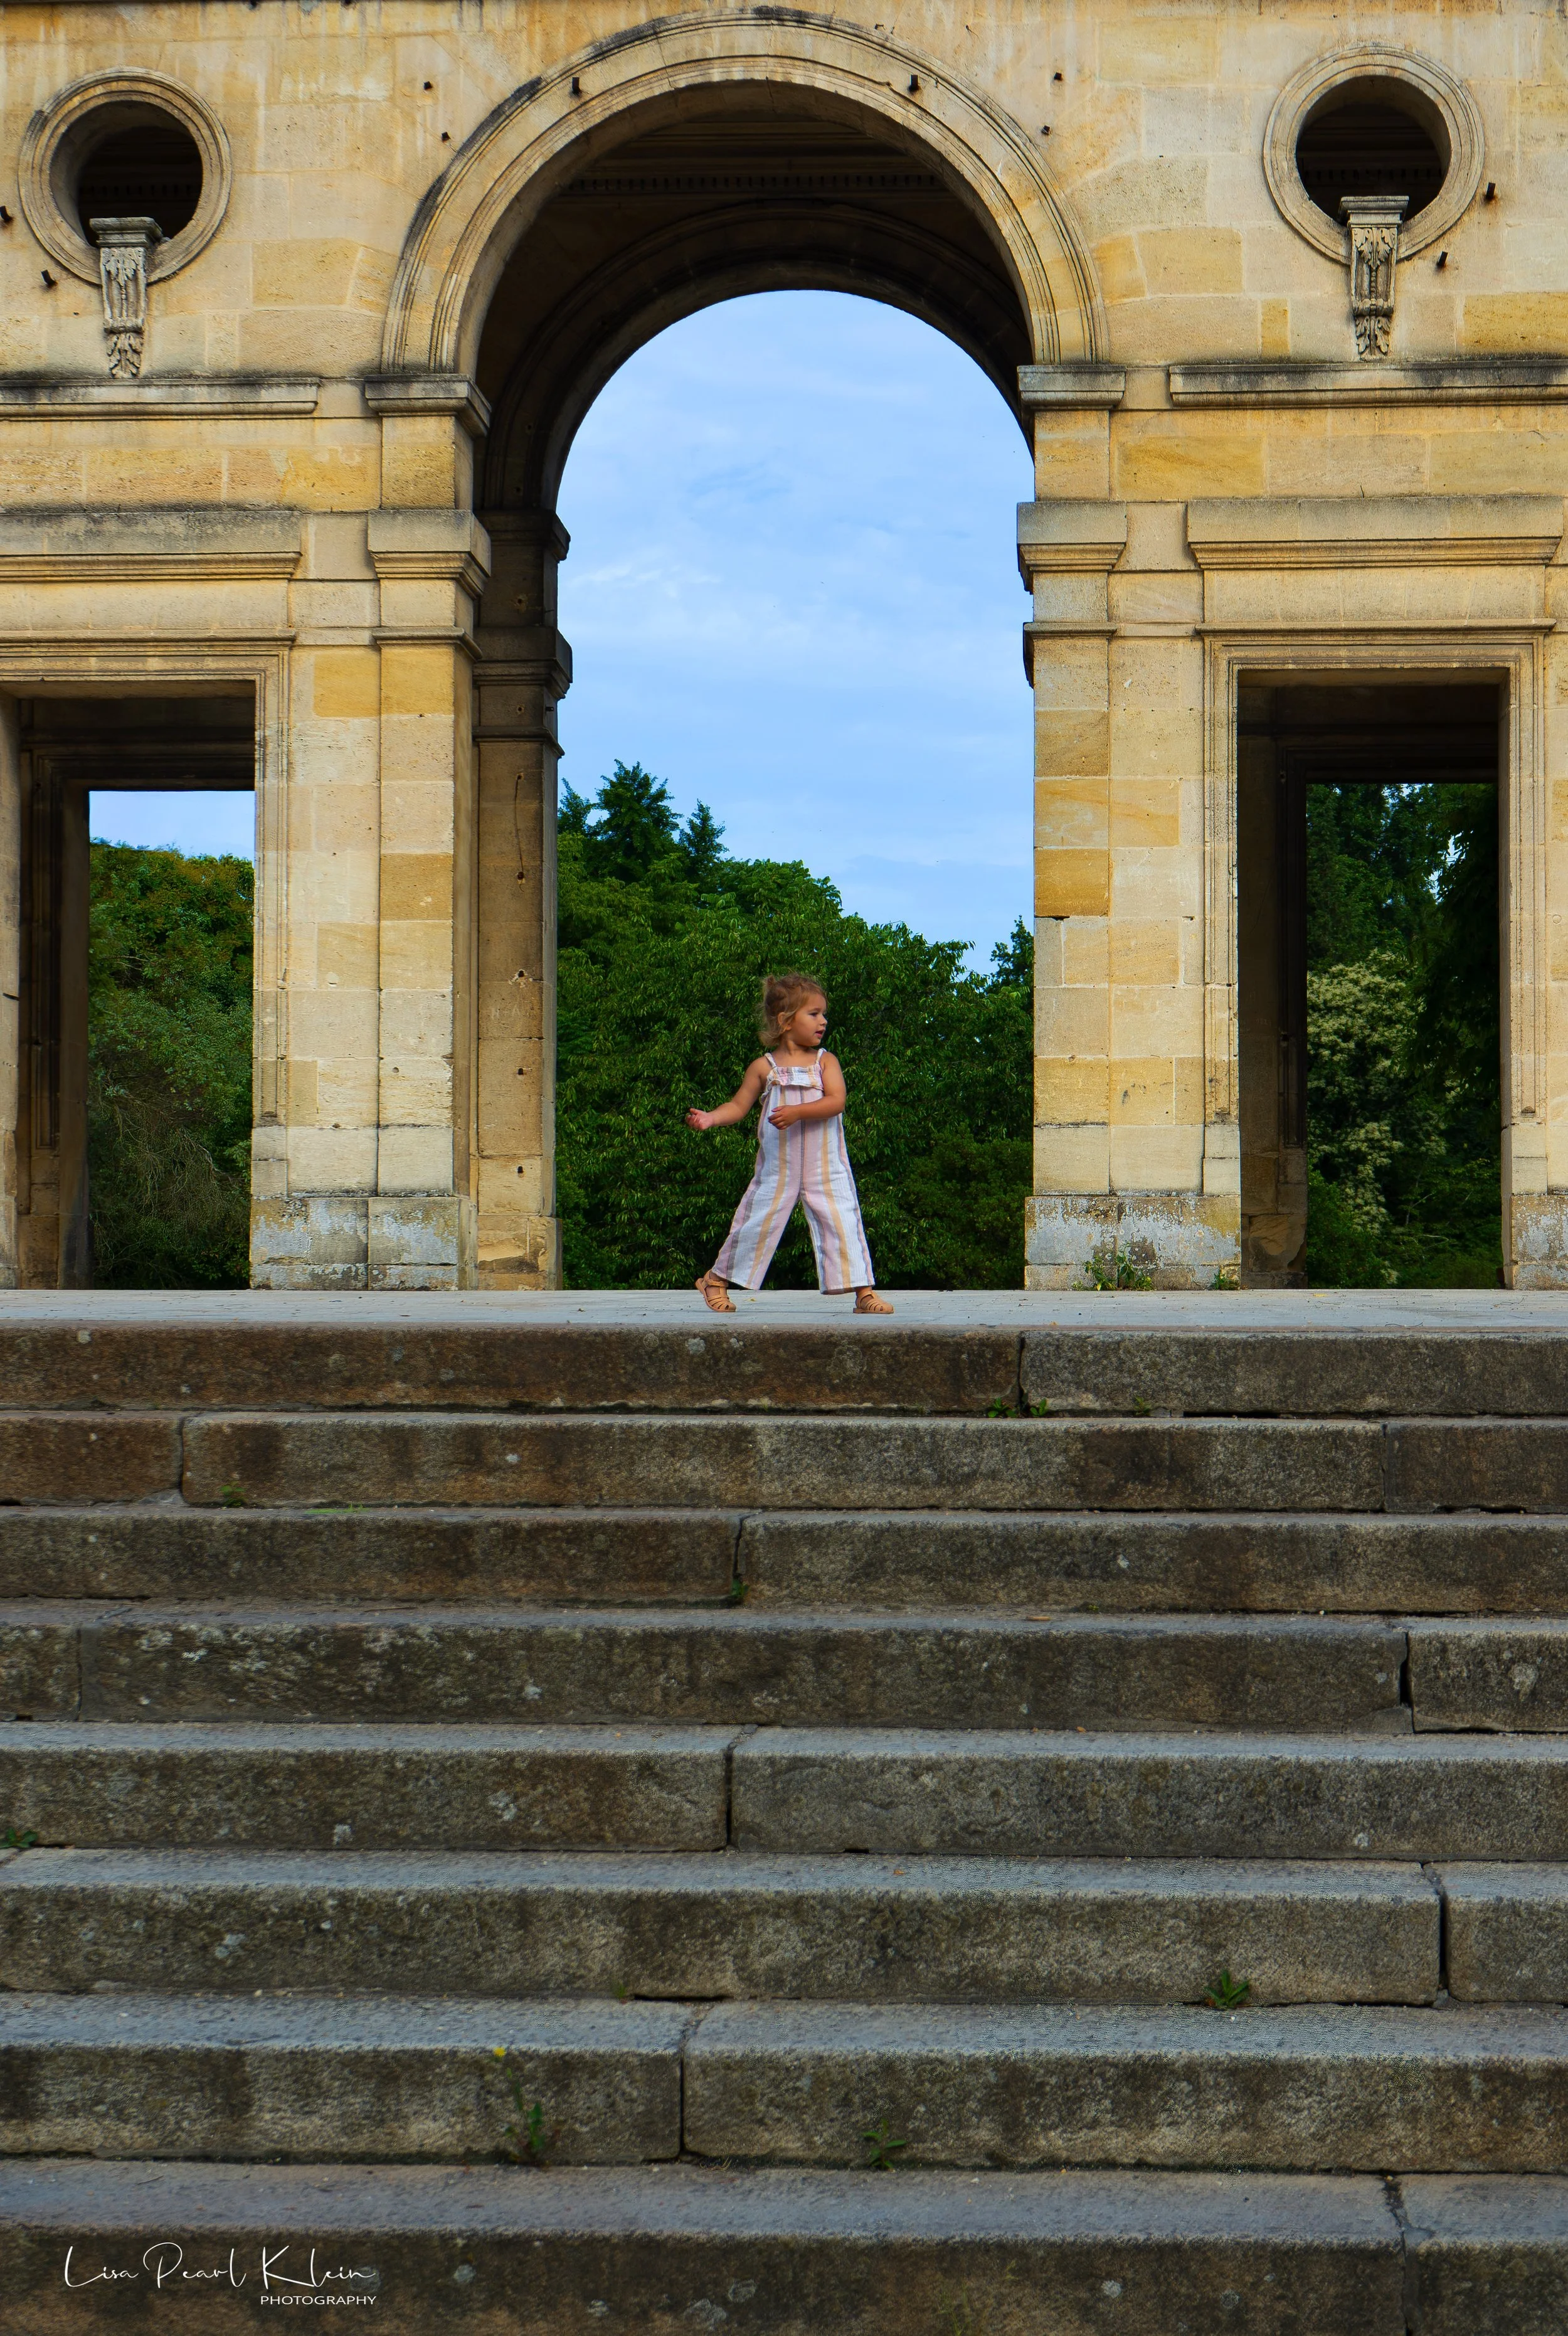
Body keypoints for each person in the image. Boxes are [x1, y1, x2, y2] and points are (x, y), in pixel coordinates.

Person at [686, 972, 893, 1315]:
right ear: (785, 1021)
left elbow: (837, 1102)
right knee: (756, 1223)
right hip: (778, 1169)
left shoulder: (825, 1062)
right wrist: (710, 1117)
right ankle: (715, 1279)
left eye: (823, 1014)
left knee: (843, 1221)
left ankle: (864, 1292)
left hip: (826, 1166)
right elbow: (738, 1107)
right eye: (813, 1014)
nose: (823, 1021)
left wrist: (798, 1112)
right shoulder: (763, 1067)